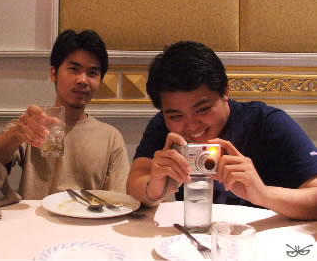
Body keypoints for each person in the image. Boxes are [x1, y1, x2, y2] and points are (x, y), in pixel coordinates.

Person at [126, 40, 317, 220]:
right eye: (176, 116)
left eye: (202, 109)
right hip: (192, 241)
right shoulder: (164, 128)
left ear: (225, 91)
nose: (191, 126)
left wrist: (263, 194)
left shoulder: (266, 122)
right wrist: (154, 188)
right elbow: (135, 182)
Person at [0, 29, 130, 199]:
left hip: (87, 223)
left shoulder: (110, 137)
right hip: (35, 223)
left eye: (92, 73)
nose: (83, 80)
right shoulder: (33, 123)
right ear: (54, 74)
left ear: (100, 80)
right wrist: (16, 135)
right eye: (74, 69)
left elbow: (119, 199)